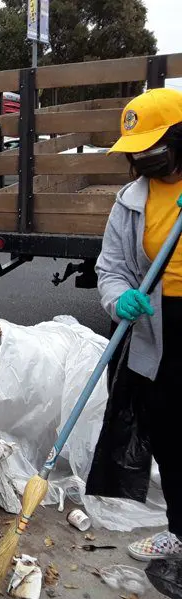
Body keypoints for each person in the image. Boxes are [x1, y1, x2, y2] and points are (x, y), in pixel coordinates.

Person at [88, 88, 182, 562]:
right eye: (136, 151)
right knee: (165, 431)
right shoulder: (130, 200)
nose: (143, 157)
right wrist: (117, 296)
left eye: (154, 146)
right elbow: (110, 266)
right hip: (158, 326)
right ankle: (179, 530)